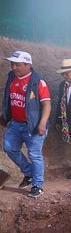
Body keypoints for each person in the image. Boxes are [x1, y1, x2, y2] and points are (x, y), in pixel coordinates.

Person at [0, 51, 51, 198]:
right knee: (9, 148)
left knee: (35, 155)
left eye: (18, 64)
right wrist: (5, 116)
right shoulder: (11, 78)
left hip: (33, 125)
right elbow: (10, 100)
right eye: (12, 64)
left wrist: (42, 123)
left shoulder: (38, 82)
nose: (14, 67)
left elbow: (47, 104)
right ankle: (28, 173)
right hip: (16, 124)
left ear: (28, 65)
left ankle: (37, 185)